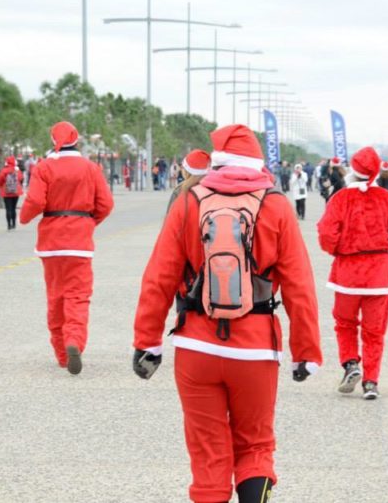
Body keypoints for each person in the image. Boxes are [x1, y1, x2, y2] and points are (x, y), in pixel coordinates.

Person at [132, 124, 322, 503]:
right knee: (255, 447)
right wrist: (306, 351)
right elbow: (300, 284)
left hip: (196, 347)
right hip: (255, 348)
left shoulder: (188, 201)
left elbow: (159, 277)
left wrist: (147, 343)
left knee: (207, 455)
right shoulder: (276, 205)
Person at [317, 146, 388, 400]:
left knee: (345, 324)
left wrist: (339, 249)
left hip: (347, 273)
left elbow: (326, 236)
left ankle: (350, 364)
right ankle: (371, 382)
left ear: (353, 169)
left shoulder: (339, 199)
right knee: (375, 331)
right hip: (379, 275)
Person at [20, 121, 113, 374]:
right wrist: (88, 222)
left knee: (55, 296)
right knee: (78, 296)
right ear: (77, 140)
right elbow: (105, 203)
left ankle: (62, 353)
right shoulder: (91, 168)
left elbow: (36, 200)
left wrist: (25, 217)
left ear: (53, 140)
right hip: (79, 242)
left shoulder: (45, 166)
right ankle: (74, 340)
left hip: (50, 242)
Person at [0, 156, 24, 230]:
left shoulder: (4, 170)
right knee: (13, 208)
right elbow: (21, 178)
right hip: (15, 192)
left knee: (8, 208)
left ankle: (9, 225)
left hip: (6, 191)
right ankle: (14, 224)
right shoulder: (17, 170)